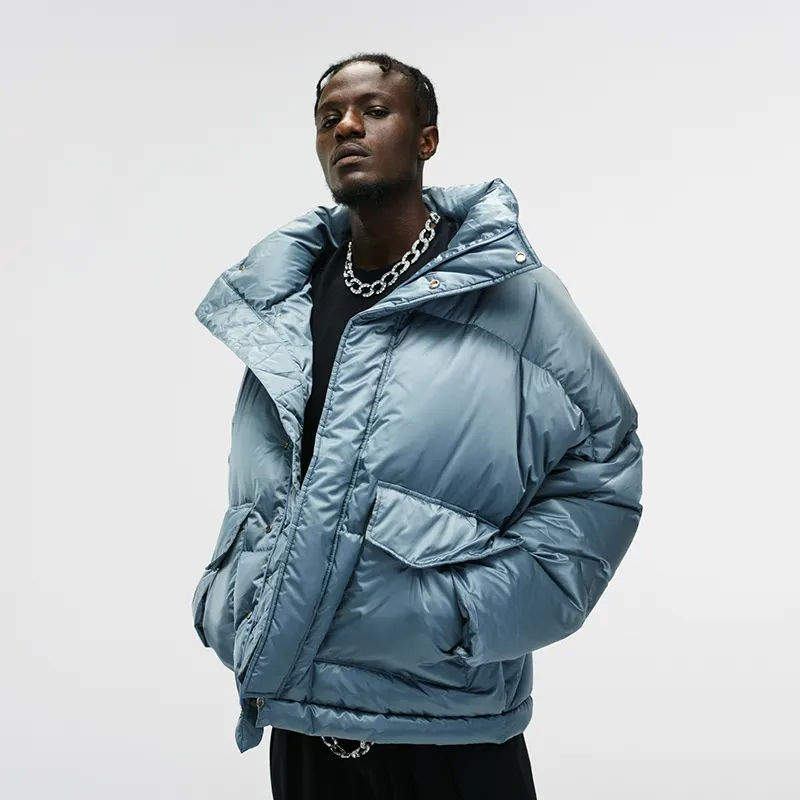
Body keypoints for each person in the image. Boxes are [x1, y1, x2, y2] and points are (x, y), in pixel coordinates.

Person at [191, 51, 644, 800]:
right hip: (299, 720)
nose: (347, 127)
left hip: (450, 733)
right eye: (329, 117)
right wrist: (227, 595)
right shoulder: (286, 298)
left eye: (374, 110)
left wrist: (462, 615)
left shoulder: (513, 293)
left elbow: (604, 466)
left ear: (426, 139)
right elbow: (265, 488)